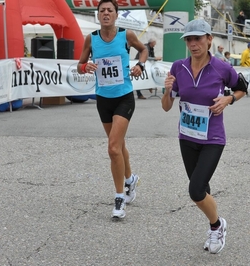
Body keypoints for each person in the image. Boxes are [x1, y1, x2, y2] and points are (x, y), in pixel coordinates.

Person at [161, 19, 247, 254]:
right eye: (189, 39)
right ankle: (214, 225)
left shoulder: (222, 68)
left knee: (196, 190)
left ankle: (217, 225)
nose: (193, 43)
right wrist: (168, 90)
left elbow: (243, 87)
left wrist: (229, 99)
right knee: (203, 188)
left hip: (213, 138)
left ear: (209, 39)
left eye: (198, 38)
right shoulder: (178, 67)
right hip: (187, 137)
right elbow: (166, 106)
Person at [77, 0, 146, 219]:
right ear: (98, 15)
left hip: (124, 98)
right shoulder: (92, 38)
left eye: (110, 10)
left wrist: (139, 65)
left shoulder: (126, 36)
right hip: (103, 99)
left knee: (113, 148)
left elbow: (143, 50)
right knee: (119, 145)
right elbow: (79, 64)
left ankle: (119, 198)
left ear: (116, 14)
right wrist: (85, 67)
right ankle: (130, 179)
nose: (106, 13)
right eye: (102, 10)